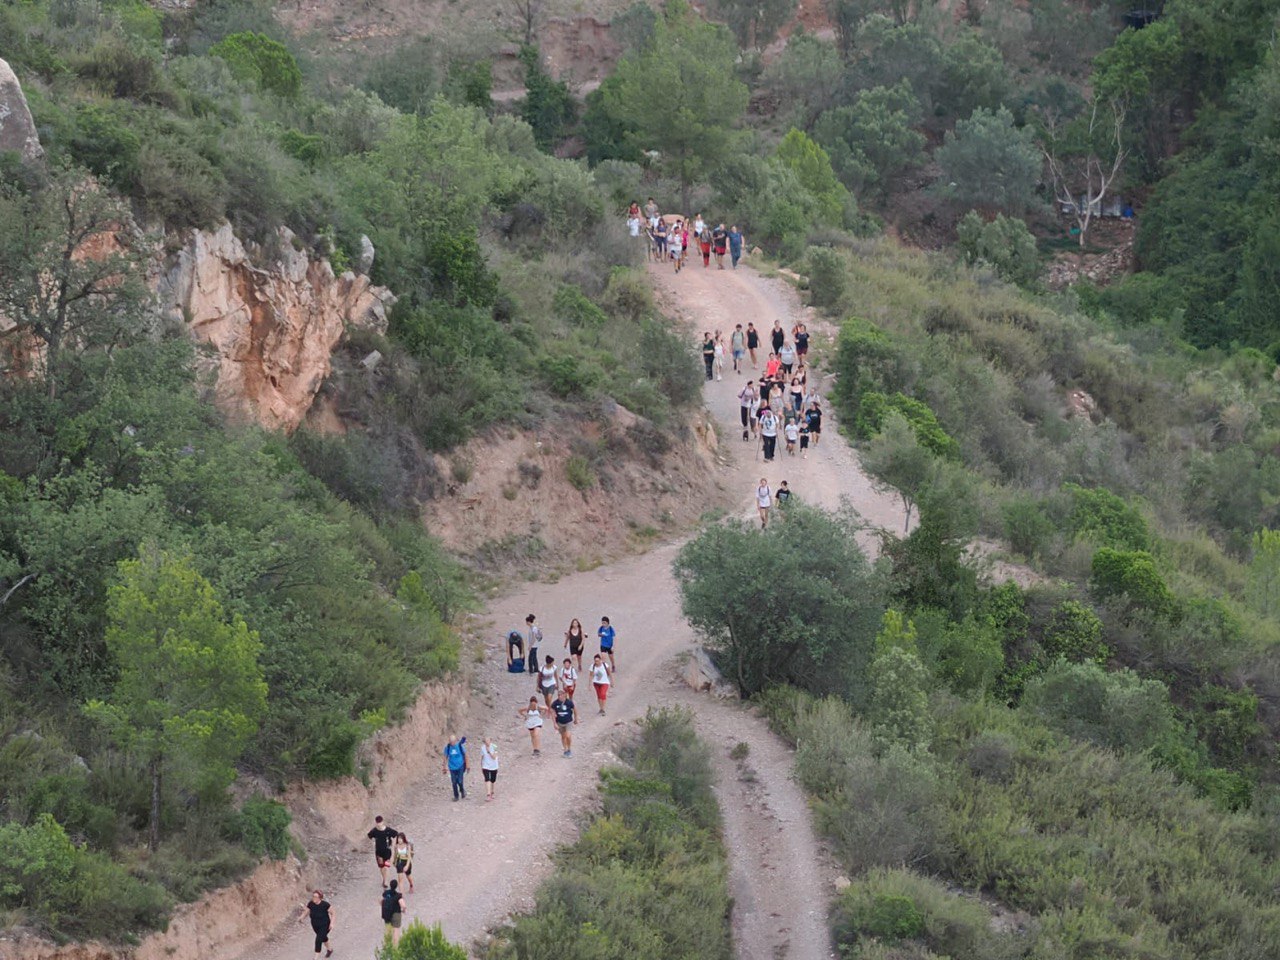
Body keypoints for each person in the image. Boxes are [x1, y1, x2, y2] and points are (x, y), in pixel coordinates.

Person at [299, 889, 334, 958]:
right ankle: (330, 950)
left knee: (318, 940)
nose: (314, 898)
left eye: (316, 897)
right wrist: (301, 917)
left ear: (320, 898)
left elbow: (333, 914)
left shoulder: (325, 905)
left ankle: (315, 958)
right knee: (323, 937)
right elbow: (307, 910)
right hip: (315, 926)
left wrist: (332, 923)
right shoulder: (311, 903)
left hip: (325, 925)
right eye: (313, 896)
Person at [367, 816, 397, 889]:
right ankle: (384, 879)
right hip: (378, 852)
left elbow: (395, 834)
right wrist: (373, 844)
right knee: (381, 867)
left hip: (387, 851)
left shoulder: (388, 830)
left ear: (382, 822)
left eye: (380, 822)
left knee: (386, 867)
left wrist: (393, 846)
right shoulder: (374, 831)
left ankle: (386, 881)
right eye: (377, 823)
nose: (379, 824)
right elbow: (369, 836)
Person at [551, 690, 578, 757]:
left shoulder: (569, 702)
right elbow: (552, 712)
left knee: (568, 735)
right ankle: (565, 750)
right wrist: (554, 723)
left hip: (568, 721)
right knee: (563, 736)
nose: (559, 696)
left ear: (564, 695)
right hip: (560, 722)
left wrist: (576, 719)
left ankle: (569, 749)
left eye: (561, 695)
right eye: (558, 695)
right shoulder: (555, 703)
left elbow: (575, 710)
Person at [381, 880, 406, 946]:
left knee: (388, 929)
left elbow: (381, 901)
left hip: (387, 913)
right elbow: (403, 905)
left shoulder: (386, 893)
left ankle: (387, 944)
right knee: (396, 930)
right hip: (396, 914)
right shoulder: (398, 895)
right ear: (396, 886)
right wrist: (404, 910)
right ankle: (395, 946)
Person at [442, 735, 467, 801]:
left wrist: (467, 765)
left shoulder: (459, 746)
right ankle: (456, 796)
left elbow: (465, 755)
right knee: (454, 782)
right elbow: (445, 757)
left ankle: (462, 790)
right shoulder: (447, 747)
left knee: (460, 781)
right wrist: (444, 767)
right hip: (452, 767)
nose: (452, 743)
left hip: (460, 766)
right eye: (450, 742)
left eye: (453, 742)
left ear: (455, 741)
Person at [480, 737, 499, 801]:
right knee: (487, 779)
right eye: (485, 741)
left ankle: (492, 791)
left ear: (490, 741)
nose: (487, 743)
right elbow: (482, 757)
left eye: (488, 741)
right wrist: (481, 766)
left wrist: (489, 751)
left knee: (492, 780)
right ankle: (488, 794)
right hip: (486, 766)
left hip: (494, 766)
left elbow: (494, 757)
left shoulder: (495, 746)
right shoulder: (482, 748)